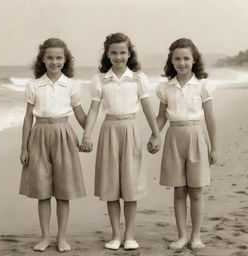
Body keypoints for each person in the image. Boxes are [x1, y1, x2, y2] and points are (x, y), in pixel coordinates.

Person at [80, 32, 160, 250]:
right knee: (111, 186)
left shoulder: (138, 78)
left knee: (131, 186)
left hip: (131, 129)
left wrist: (156, 133)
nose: (118, 57)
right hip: (109, 131)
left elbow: (147, 107)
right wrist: (87, 135)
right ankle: (116, 235)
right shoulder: (100, 80)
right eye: (114, 52)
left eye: (123, 52)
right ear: (107, 54)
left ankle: (130, 235)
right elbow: (94, 109)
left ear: (129, 52)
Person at [149, 38, 217, 251]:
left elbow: (210, 118)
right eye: (177, 58)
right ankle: (181, 236)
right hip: (174, 138)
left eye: (186, 58)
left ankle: (196, 236)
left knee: (196, 190)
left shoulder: (203, 86)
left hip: (196, 136)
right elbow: (161, 117)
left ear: (194, 60)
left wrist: (214, 147)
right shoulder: (165, 88)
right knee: (179, 190)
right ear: (171, 60)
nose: (182, 62)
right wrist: (154, 135)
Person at [19, 38, 86, 252]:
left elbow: (80, 114)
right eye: (50, 57)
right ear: (43, 59)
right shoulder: (34, 85)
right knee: (43, 190)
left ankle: (62, 237)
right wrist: (24, 147)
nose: (54, 62)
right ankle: (45, 237)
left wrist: (89, 134)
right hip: (38, 136)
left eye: (59, 57)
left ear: (65, 60)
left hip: (64, 134)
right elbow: (28, 117)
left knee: (63, 190)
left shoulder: (72, 85)